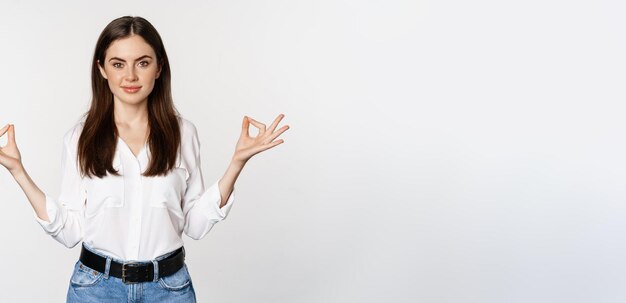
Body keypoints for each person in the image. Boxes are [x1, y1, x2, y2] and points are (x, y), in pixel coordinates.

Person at [0, 16, 289, 302]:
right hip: (95, 290)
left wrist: (237, 162)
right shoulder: (79, 137)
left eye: (142, 62)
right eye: (118, 64)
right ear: (101, 69)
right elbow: (69, 231)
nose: (130, 76)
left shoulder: (183, 133)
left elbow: (196, 225)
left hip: (169, 290)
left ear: (159, 67)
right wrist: (18, 171)